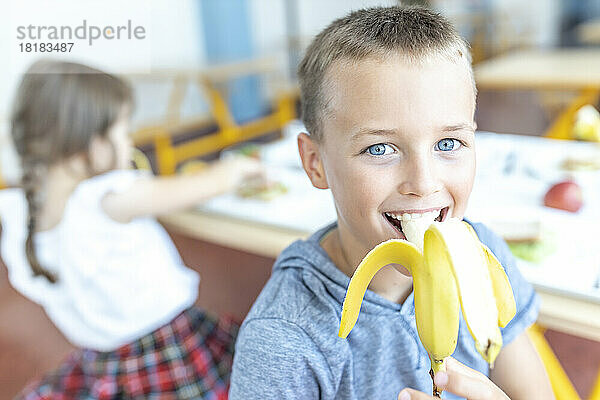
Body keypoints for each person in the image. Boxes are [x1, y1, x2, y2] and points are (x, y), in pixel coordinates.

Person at [229, 6, 554, 400]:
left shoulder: (484, 256)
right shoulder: (284, 339)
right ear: (315, 164)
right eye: (380, 148)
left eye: (448, 143)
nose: (423, 182)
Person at [0, 59, 261, 399]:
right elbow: (193, 189)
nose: (129, 141)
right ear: (86, 144)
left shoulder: (19, 211)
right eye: (122, 131)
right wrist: (239, 168)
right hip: (166, 348)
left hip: (103, 361)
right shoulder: (105, 197)